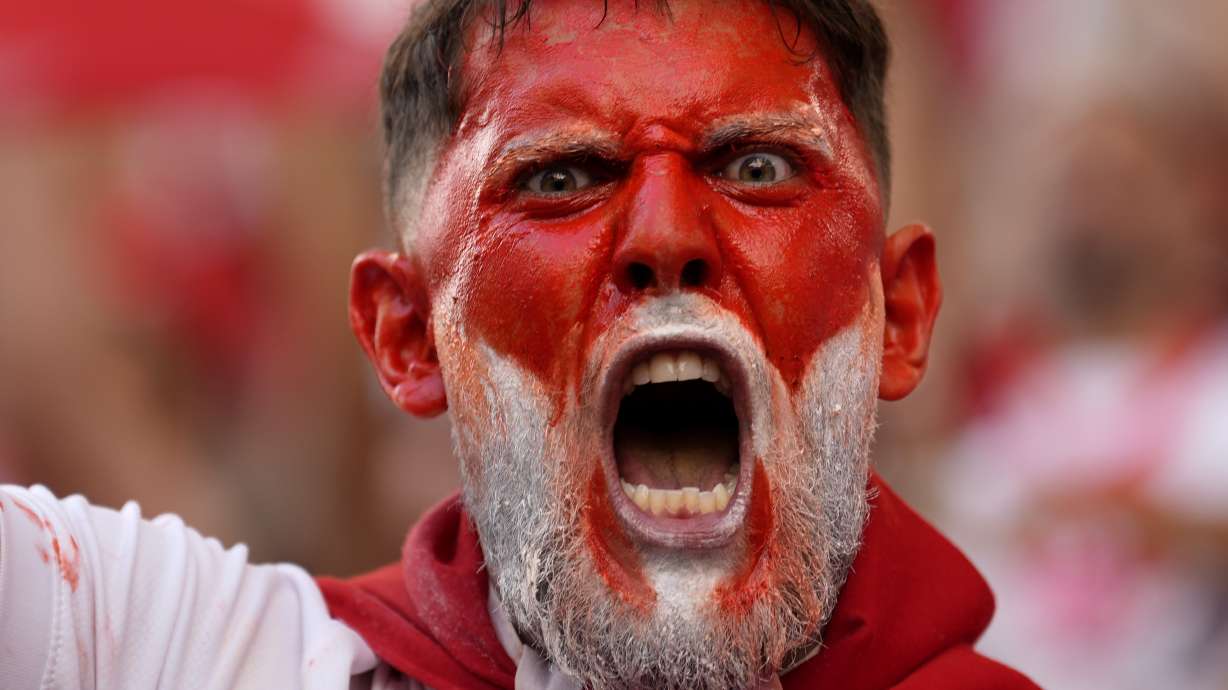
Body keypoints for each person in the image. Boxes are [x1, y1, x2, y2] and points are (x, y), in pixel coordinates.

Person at [0, 1, 1038, 688]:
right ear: (407, 336)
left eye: (757, 168)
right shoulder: (238, 658)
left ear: (896, 313)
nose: (667, 238)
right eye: (560, 177)